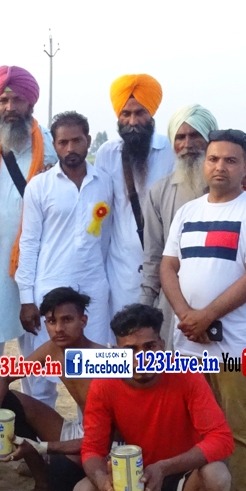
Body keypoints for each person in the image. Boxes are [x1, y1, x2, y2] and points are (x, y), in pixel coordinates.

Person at [160, 129, 246, 491]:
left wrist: (206, 316)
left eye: (230, 160)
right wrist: (186, 316)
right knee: (192, 425)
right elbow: (168, 267)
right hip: (187, 343)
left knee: (237, 428)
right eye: (213, 159)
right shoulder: (187, 212)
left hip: (236, 347)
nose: (219, 167)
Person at [72, 304, 234, 491]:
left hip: (183, 474)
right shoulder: (104, 381)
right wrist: (103, 482)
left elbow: (222, 439)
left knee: (218, 476)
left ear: (163, 345)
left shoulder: (185, 373)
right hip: (136, 473)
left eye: (150, 347)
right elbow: (92, 448)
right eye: (130, 350)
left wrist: (164, 467)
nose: (142, 357)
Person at [0, 287, 102, 491]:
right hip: (81, 430)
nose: (59, 328)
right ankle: (43, 490)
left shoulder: (104, 359)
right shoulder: (53, 349)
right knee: (9, 402)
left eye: (67, 320)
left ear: (83, 321)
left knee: (60, 471)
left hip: (105, 442)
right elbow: (4, 376)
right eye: (52, 321)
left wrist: (42, 447)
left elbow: (106, 437)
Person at [0, 65, 56, 363]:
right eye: (3, 100)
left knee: (37, 351)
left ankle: (35, 395)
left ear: (30, 103)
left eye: (17, 100)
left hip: (38, 262)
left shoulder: (51, 143)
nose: (10, 107)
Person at [16, 111, 115, 352]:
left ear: (88, 141)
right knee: (50, 363)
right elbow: (29, 243)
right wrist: (26, 299)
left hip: (94, 287)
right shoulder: (39, 185)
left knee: (93, 361)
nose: (70, 148)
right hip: (51, 285)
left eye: (76, 140)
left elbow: (104, 239)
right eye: (63, 142)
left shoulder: (105, 182)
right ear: (54, 145)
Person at [95, 74, 176, 315]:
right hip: (121, 269)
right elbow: (100, 209)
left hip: (166, 267)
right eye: (126, 114)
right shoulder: (107, 153)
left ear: (151, 114)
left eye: (140, 113)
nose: (133, 121)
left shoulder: (170, 151)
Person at [140, 105, 214, 349]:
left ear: (210, 140)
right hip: (173, 308)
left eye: (195, 136)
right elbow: (153, 256)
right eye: (180, 137)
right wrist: (144, 306)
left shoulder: (230, 191)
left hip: (222, 305)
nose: (187, 144)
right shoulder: (159, 192)